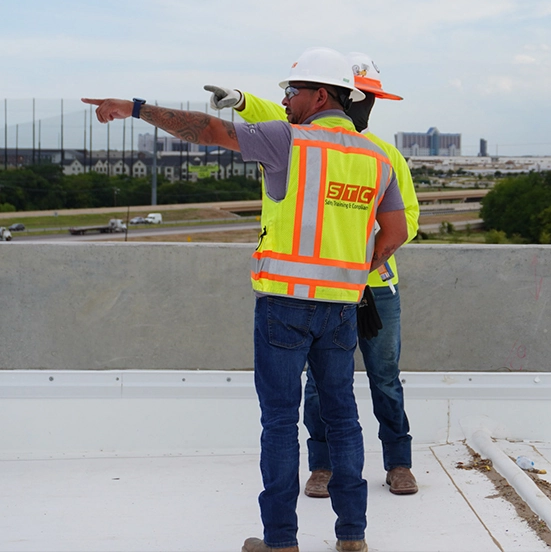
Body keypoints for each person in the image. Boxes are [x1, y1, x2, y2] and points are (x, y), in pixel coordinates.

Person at [83, 46, 409, 552]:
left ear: (320, 94)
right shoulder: (377, 156)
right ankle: (352, 537)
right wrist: (352, 273)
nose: (284, 99)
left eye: (291, 91)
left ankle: (281, 541)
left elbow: (208, 130)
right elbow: (395, 232)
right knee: (344, 418)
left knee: (280, 421)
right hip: (343, 309)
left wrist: (135, 107)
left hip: (283, 305)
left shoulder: (289, 140)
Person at [205, 51, 420, 499]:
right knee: (321, 391)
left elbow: (406, 222)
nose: (366, 107)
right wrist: (244, 100)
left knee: (384, 376)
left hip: (373, 288)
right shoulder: (310, 138)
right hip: (327, 290)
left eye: (372, 100)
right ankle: (321, 467)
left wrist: (360, 261)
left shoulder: (383, 154)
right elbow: (285, 117)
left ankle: (399, 462)